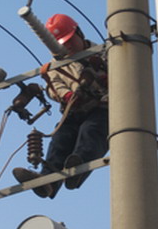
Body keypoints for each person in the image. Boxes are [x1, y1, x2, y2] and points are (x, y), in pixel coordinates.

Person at [13, 13, 109, 198]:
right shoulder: (55, 66)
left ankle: (78, 169)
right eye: (63, 43)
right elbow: (53, 86)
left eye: (70, 40)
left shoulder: (103, 52)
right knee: (60, 139)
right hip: (75, 110)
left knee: (91, 131)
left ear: (79, 33)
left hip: (102, 107)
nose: (67, 46)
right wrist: (67, 95)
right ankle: (47, 182)